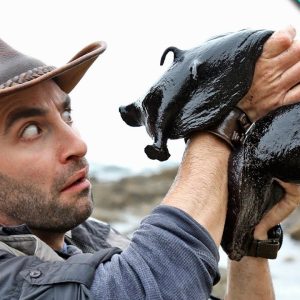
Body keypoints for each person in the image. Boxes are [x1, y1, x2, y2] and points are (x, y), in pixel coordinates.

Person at [0, 26, 299, 300]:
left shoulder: (96, 239)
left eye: (67, 116)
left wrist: (249, 239)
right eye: (30, 130)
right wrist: (224, 116)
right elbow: (149, 287)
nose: (78, 145)